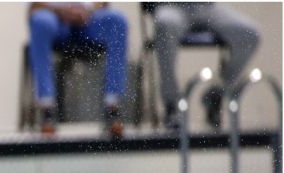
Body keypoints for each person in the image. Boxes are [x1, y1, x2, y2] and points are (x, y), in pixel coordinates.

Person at [150, 2, 260, 131]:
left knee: (250, 34)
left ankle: (215, 96)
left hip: (207, 7)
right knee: (164, 24)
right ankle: (172, 106)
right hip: (171, 6)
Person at [28, 2, 128, 138]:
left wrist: (86, 10)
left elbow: (103, 3)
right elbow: (34, 6)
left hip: (88, 21)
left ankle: (112, 109)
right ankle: (47, 111)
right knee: (40, 20)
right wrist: (62, 11)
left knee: (117, 20)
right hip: (55, 22)